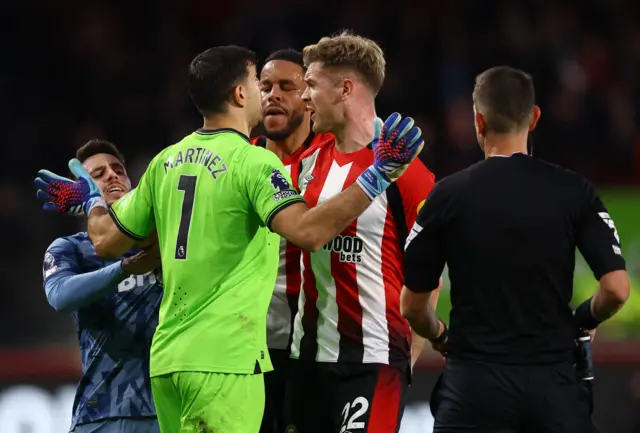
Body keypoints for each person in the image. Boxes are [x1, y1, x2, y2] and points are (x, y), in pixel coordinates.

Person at [34, 45, 423, 433]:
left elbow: (104, 240)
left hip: (168, 362)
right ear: (240, 94)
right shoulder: (254, 163)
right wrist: (378, 174)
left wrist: (91, 200)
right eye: (258, 82)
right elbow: (310, 232)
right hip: (225, 363)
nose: (266, 93)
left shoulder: (165, 162)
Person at [400, 66, 631, 433]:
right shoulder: (573, 191)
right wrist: (582, 321)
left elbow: (412, 307)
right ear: (534, 117)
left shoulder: (447, 195)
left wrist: (441, 336)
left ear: (478, 121)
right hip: (553, 386)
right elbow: (617, 289)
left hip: (473, 389)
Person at [283, 31, 439, 433]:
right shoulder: (308, 164)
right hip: (307, 362)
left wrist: (405, 357)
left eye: (312, 85)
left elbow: (429, 271)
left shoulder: (409, 173)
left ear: (344, 89)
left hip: (373, 364)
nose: (304, 98)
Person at [39, 139, 162, 433]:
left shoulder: (164, 239)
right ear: (80, 192)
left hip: (167, 412)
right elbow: (60, 295)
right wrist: (124, 268)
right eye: (97, 174)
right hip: (100, 414)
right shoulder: (70, 248)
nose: (112, 175)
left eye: (118, 169)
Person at [254, 48, 333, 433]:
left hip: (314, 345)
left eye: (287, 86)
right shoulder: (240, 158)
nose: (273, 95)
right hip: (248, 345)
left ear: (307, 96)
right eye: (265, 86)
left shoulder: (332, 159)